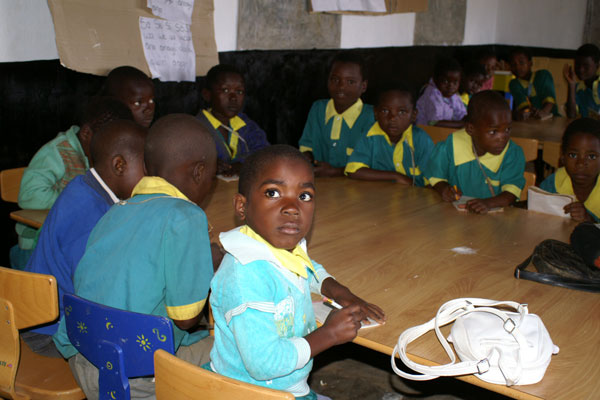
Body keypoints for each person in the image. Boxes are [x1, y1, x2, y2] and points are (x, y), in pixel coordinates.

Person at [53, 114, 217, 399]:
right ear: (200, 172)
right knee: (235, 349)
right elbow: (186, 319)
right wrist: (208, 265)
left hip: (85, 360)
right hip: (139, 377)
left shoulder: (116, 209)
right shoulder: (187, 216)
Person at [209, 145, 386, 399]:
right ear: (241, 206)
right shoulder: (244, 276)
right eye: (273, 192)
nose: (292, 207)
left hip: (285, 385)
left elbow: (306, 266)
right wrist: (329, 335)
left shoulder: (273, 244)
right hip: (252, 392)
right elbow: (264, 364)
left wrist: (339, 291)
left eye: (304, 196)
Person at [22, 119, 146, 358]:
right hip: (47, 333)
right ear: (119, 165)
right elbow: (97, 293)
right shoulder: (90, 214)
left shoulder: (84, 187)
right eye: (149, 167)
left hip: (51, 320)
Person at [13, 97, 133, 269]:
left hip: (73, 241)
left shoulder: (101, 157)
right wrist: (75, 201)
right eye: (106, 141)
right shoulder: (57, 152)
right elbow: (29, 196)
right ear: (86, 134)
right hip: (35, 247)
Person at [425, 90, 525, 214]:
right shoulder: (451, 145)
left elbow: (511, 193)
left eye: (507, 129)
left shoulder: (512, 154)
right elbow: (435, 176)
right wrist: (444, 189)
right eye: (493, 131)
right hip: (453, 218)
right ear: (471, 129)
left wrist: (487, 203)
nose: (502, 138)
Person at [299, 52, 375, 177]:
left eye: (350, 82)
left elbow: (372, 162)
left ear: (363, 86)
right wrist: (306, 157)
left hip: (359, 187)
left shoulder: (372, 116)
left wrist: (335, 172)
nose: (341, 86)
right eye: (335, 79)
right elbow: (307, 145)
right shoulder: (318, 109)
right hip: (321, 183)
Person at [345, 86, 433, 186]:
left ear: (413, 115)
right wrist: (396, 176)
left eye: (402, 112)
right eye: (385, 111)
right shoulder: (370, 137)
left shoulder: (421, 140)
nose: (392, 118)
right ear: (376, 113)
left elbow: (433, 180)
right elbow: (354, 170)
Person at [196, 64, 269, 176]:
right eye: (225, 90)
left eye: (239, 92)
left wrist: (242, 164)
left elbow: (264, 152)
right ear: (207, 95)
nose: (233, 98)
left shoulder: (245, 124)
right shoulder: (196, 128)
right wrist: (209, 165)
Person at [540, 118, 600, 221]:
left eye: (591, 157)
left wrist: (590, 220)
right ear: (562, 156)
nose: (580, 164)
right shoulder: (552, 185)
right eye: (573, 155)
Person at [508, 47, 558, 120]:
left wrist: (543, 112)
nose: (517, 67)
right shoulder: (514, 84)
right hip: (532, 121)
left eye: (521, 63)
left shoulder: (543, 75)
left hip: (553, 119)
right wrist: (526, 112)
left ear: (530, 63)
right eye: (513, 64)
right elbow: (524, 107)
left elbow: (549, 102)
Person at [416, 57, 466, 128]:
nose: (450, 86)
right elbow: (434, 124)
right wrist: (463, 124)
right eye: (445, 81)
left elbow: (461, 115)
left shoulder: (454, 96)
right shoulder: (432, 94)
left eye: (455, 82)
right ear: (435, 79)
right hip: (425, 132)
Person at [564, 43, 600, 119]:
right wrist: (571, 85)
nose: (580, 69)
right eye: (577, 64)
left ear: (597, 66)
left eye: (586, 66)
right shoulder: (577, 88)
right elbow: (571, 115)